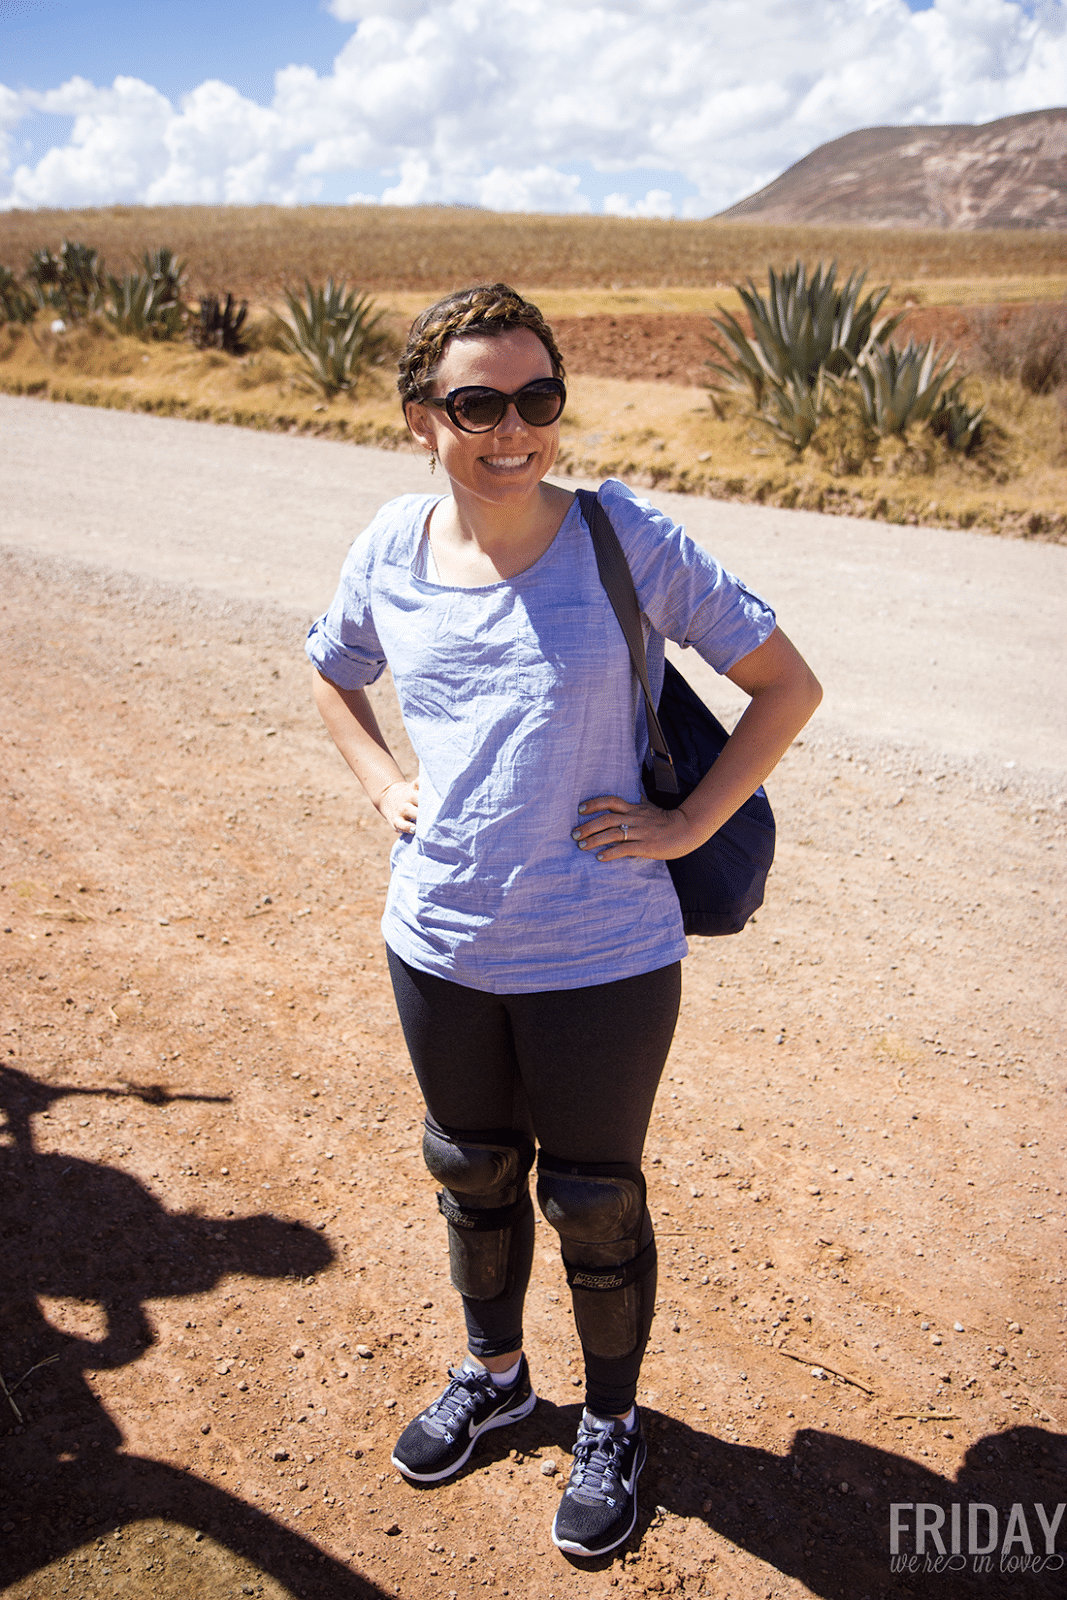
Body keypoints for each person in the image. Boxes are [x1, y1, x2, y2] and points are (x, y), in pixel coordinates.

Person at [306, 282, 822, 1559]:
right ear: (420, 418)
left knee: (592, 1198)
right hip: (439, 939)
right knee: (470, 1174)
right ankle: (495, 1378)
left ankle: (608, 1419)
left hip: (603, 951)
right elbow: (331, 668)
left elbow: (783, 684)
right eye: (475, 404)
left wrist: (690, 826)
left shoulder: (619, 535)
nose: (511, 430)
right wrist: (383, 782)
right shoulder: (387, 544)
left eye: (536, 400)